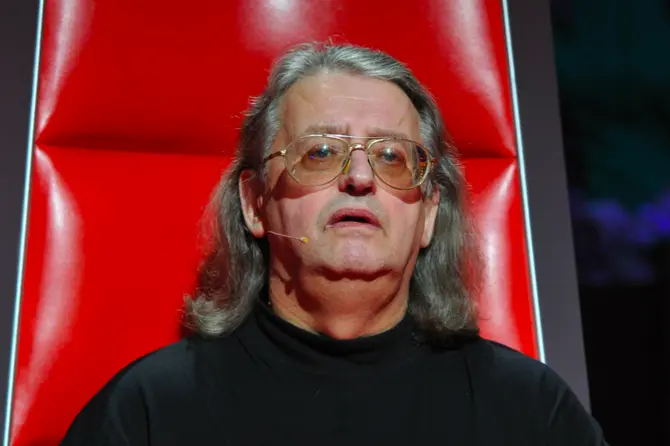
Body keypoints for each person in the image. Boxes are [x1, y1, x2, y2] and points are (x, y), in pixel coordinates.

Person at [61, 42, 608, 445]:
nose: (360, 178)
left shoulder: (530, 411)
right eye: (320, 152)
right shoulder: (149, 412)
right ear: (254, 203)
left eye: (392, 157)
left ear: (427, 216)